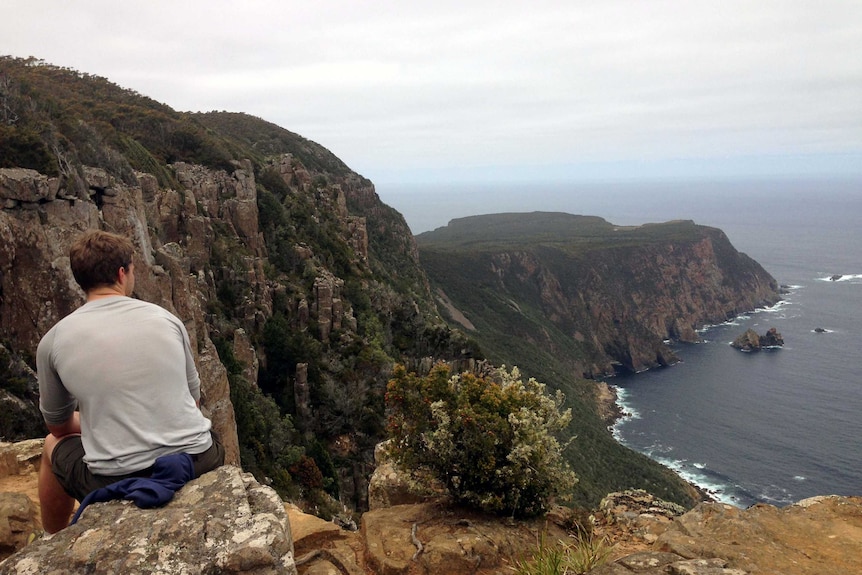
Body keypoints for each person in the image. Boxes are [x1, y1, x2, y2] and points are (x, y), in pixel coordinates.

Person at [37, 230, 224, 533]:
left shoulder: (53, 340)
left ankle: (53, 539)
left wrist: (101, 421)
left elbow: (58, 428)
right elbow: (193, 402)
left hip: (115, 475)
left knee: (51, 445)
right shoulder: (166, 319)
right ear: (122, 273)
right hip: (199, 457)